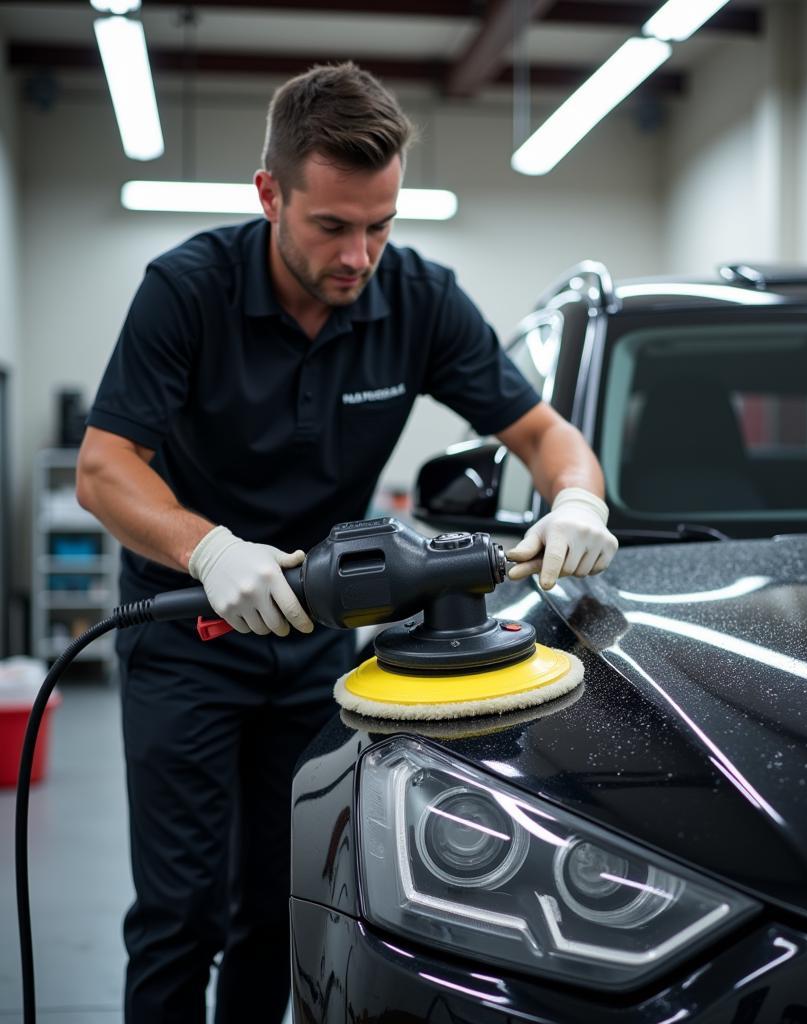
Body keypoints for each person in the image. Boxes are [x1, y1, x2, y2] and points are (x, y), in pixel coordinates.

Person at [76, 61, 617, 1024]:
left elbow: (546, 437)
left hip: (319, 638)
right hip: (189, 640)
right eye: (332, 225)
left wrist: (576, 502)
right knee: (179, 915)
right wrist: (210, 551)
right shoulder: (187, 290)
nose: (360, 254)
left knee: (274, 910)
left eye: (381, 224)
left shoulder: (418, 299)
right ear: (270, 194)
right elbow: (106, 466)